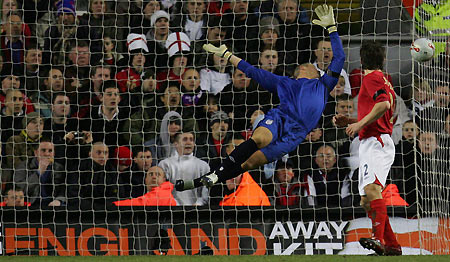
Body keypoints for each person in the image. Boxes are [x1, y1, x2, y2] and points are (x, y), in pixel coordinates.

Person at [175, 5, 344, 194]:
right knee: (260, 138)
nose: (318, 70)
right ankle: (214, 176)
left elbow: (340, 58)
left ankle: (208, 178)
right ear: (303, 70)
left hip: (297, 134)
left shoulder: (323, 85)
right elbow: (253, 71)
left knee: (251, 162)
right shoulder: (285, 82)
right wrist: (228, 55)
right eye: (314, 69)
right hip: (281, 118)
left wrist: (332, 29)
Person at [333, 40, 401, 256]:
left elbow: (384, 105)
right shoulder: (384, 80)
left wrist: (358, 124)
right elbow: (383, 112)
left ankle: (378, 239)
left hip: (375, 141)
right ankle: (392, 246)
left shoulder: (371, 78)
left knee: (372, 191)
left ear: (361, 60)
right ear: (383, 59)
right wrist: (352, 119)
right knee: (366, 200)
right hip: (374, 140)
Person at [159, 132, 209, 206]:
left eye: (191, 140)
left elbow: (206, 192)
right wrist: (175, 205)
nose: (189, 142)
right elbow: (161, 190)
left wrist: (198, 204)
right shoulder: (165, 164)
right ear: (176, 144)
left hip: (197, 211)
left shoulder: (203, 165)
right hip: (171, 210)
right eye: (185, 139)